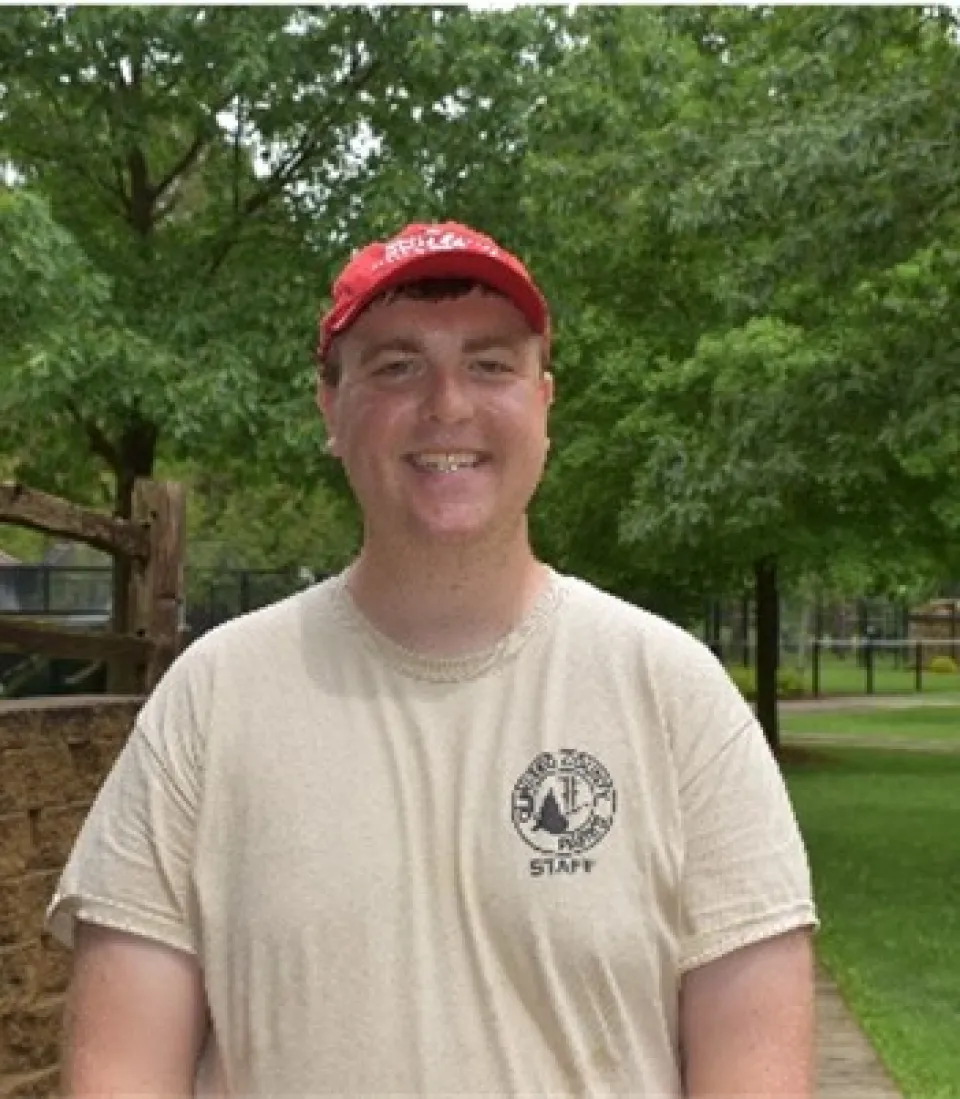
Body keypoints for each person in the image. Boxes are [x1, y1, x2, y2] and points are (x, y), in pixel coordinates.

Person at [47, 221, 818, 1097]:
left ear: (544, 403)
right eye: (396, 365)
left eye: (491, 364)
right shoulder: (210, 702)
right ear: (329, 410)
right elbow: (120, 1073)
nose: (448, 403)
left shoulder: (677, 699)